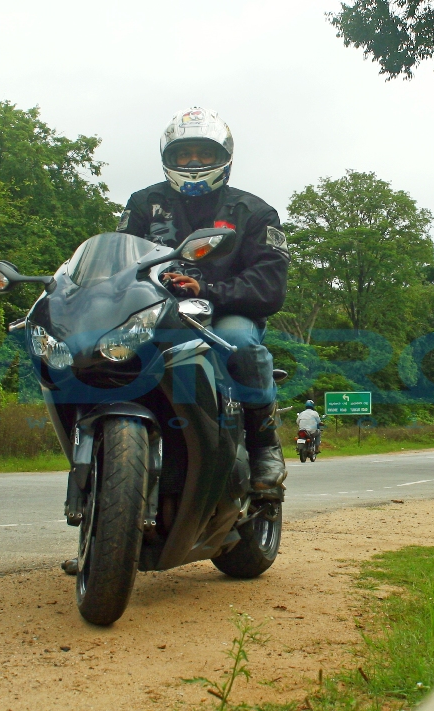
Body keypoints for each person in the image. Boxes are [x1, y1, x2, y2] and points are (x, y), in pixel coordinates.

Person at [118, 107, 290, 491]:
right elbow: (118, 257)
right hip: (152, 310)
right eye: (184, 155)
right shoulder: (144, 204)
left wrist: (208, 291)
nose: (193, 163)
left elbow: (269, 284)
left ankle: (265, 445)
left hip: (224, 312)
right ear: (168, 157)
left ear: (223, 157)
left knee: (241, 344)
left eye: (204, 154)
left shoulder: (254, 211)